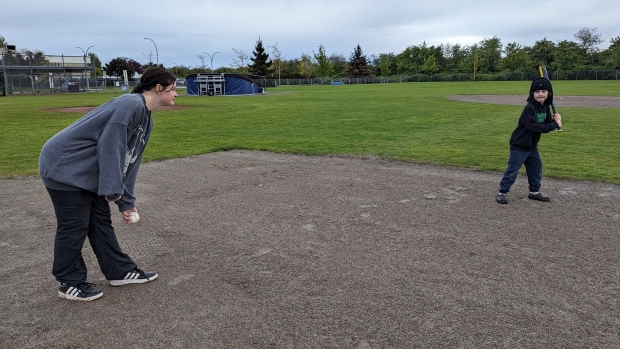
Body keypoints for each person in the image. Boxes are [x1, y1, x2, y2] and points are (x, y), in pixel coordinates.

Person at [39, 67, 178, 301]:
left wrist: (126, 201)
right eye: (173, 89)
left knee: (100, 222)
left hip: (85, 172)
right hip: (64, 167)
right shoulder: (130, 105)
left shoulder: (145, 118)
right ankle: (69, 282)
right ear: (158, 88)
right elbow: (110, 149)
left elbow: (130, 160)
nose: (176, 94)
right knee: (74, 225)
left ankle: (119, 270)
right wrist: (114, 193)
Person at [496, 77, 562, 204]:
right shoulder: (529, 108)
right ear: (532, 93)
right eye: (537, 91)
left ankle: (534, 192)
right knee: (512, 170)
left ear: (549, 93)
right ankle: (502, 192)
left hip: (532, 146)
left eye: (543, 91)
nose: (540, 94)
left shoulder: (545, 107)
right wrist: (555, 125)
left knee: (536, 168)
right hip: (519, 144)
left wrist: (555, 120)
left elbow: (547, 123)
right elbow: (534, 127)